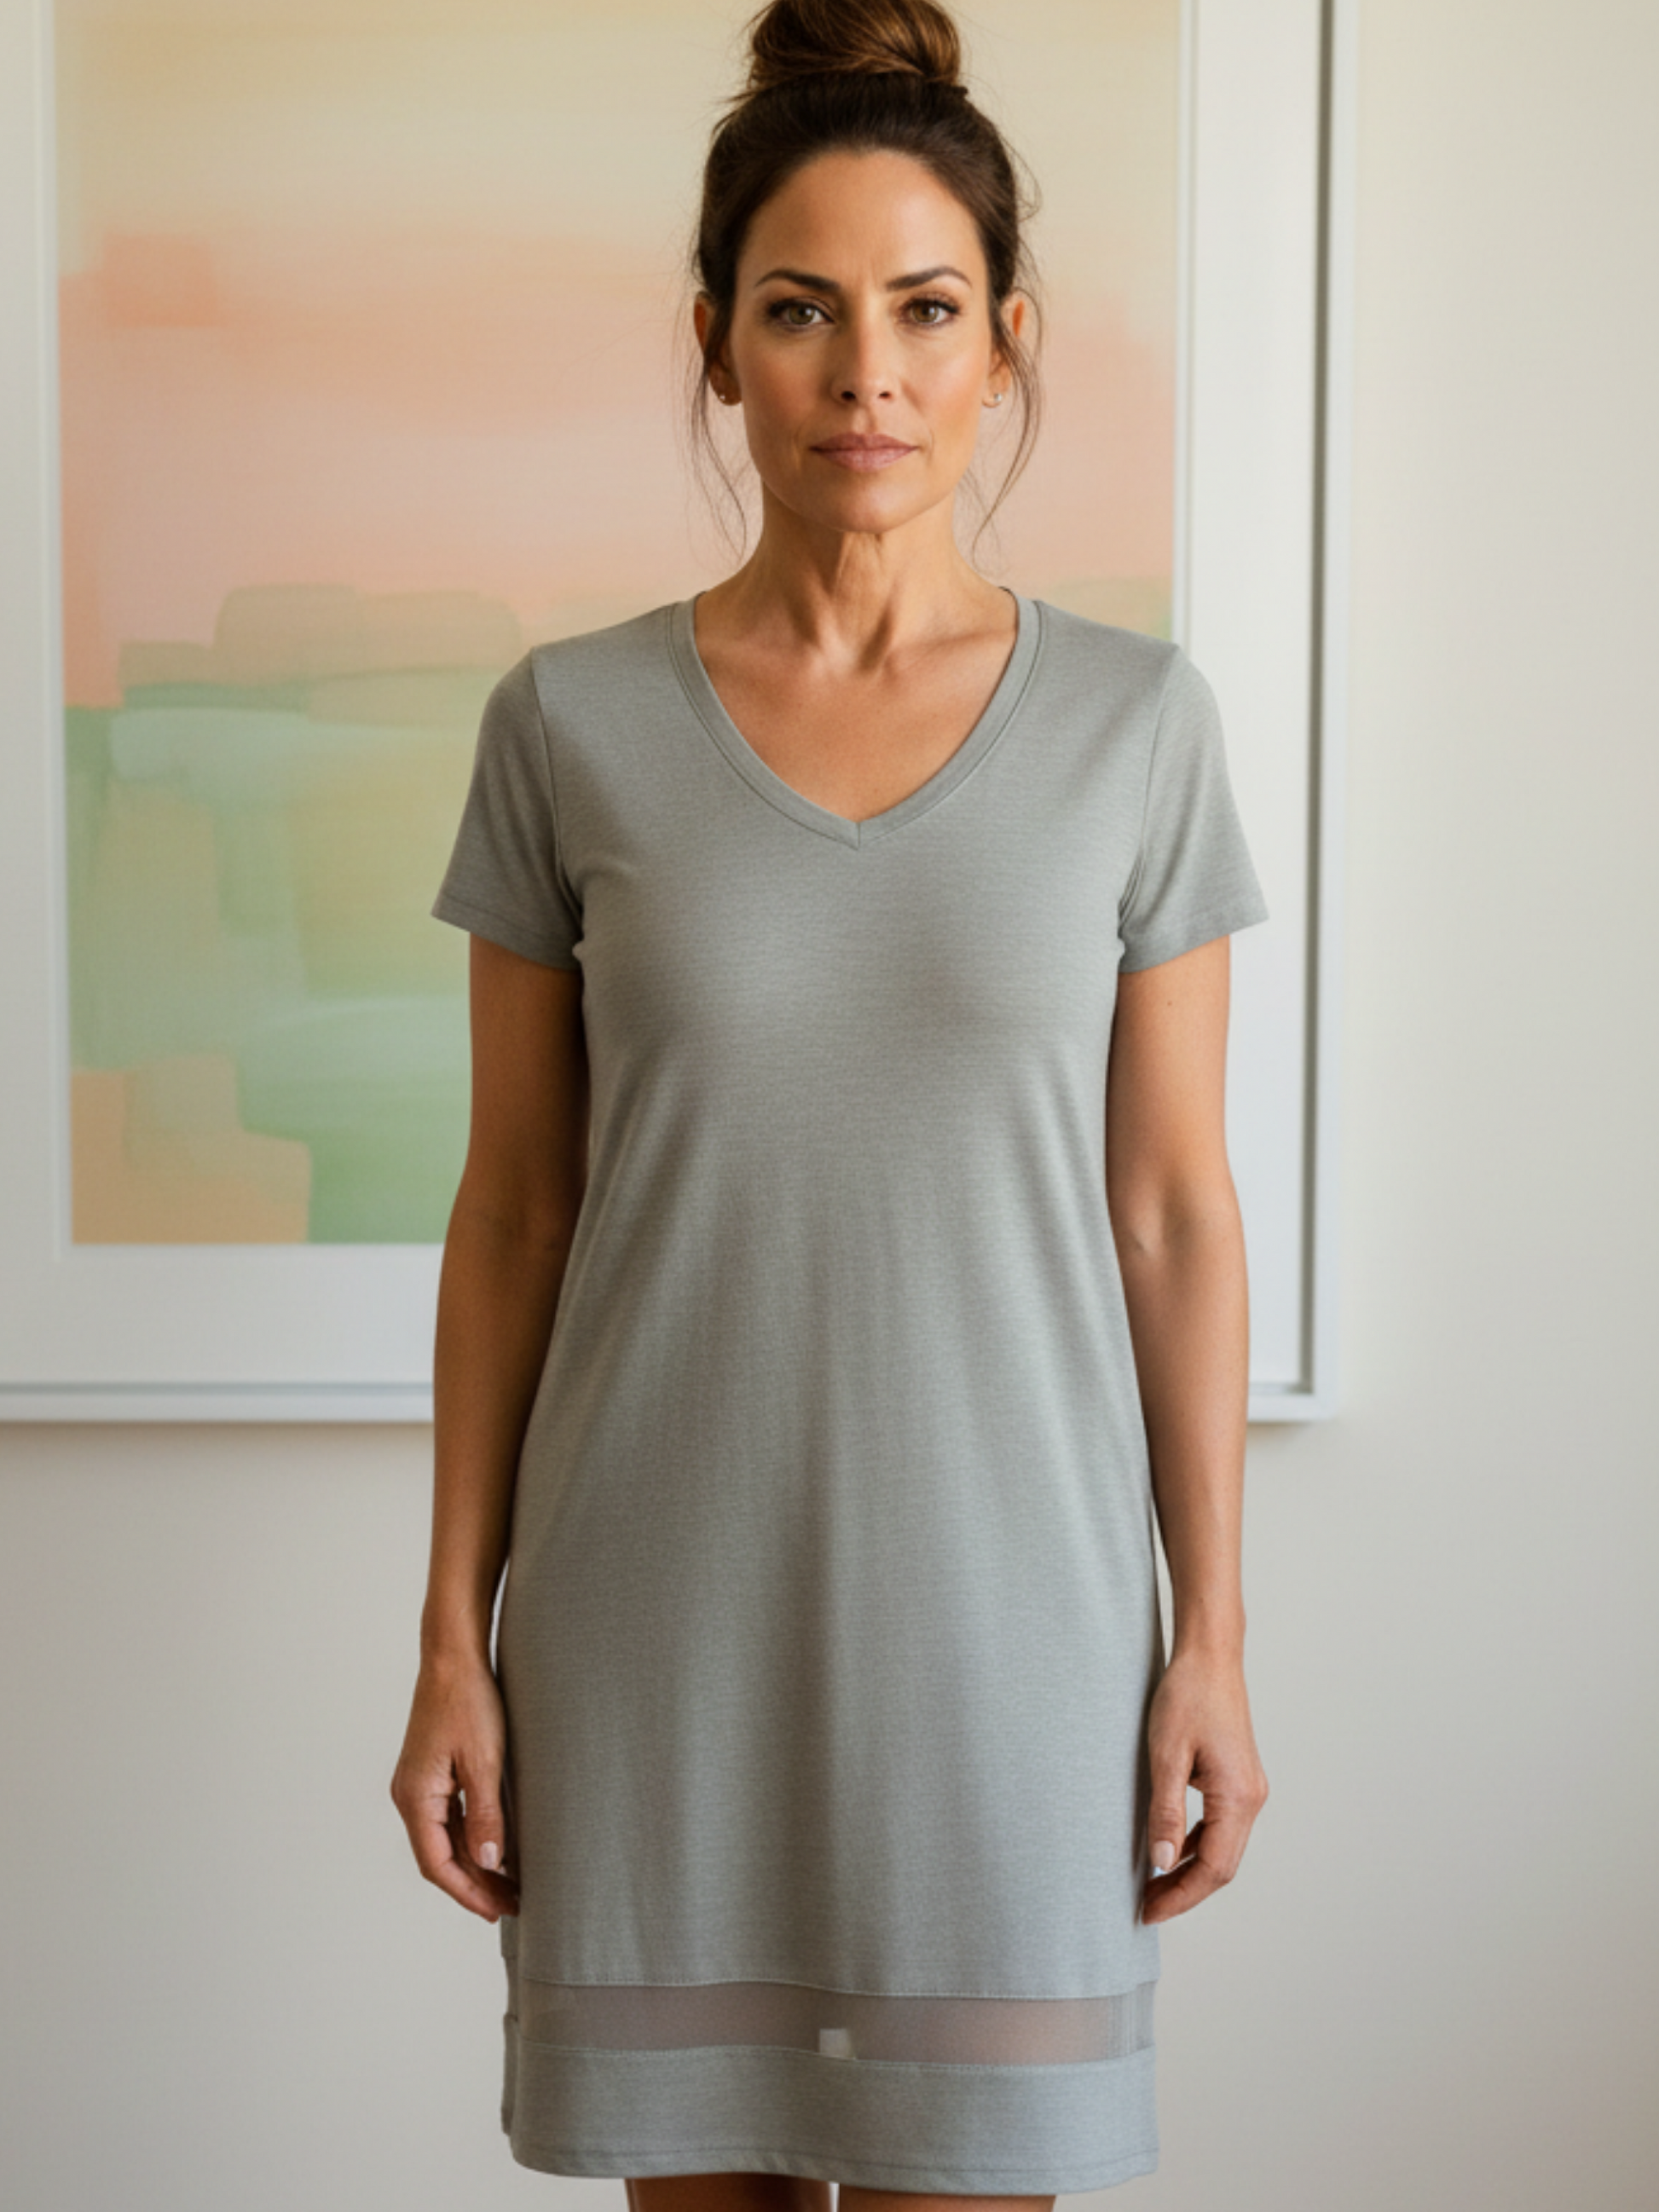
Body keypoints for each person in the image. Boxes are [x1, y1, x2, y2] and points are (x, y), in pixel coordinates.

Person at [390, 0, 1272, 2203]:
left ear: (1005, 346)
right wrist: (450, 1646)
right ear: (714, 346)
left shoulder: (1139, 728)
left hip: (1018, 1638)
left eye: (924, 310)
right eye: (798, 312)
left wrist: (1215, 1641)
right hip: (649, 1628)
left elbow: (1174, 1214)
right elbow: (515, 1212)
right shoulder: (567, 726)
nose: (865, 373)